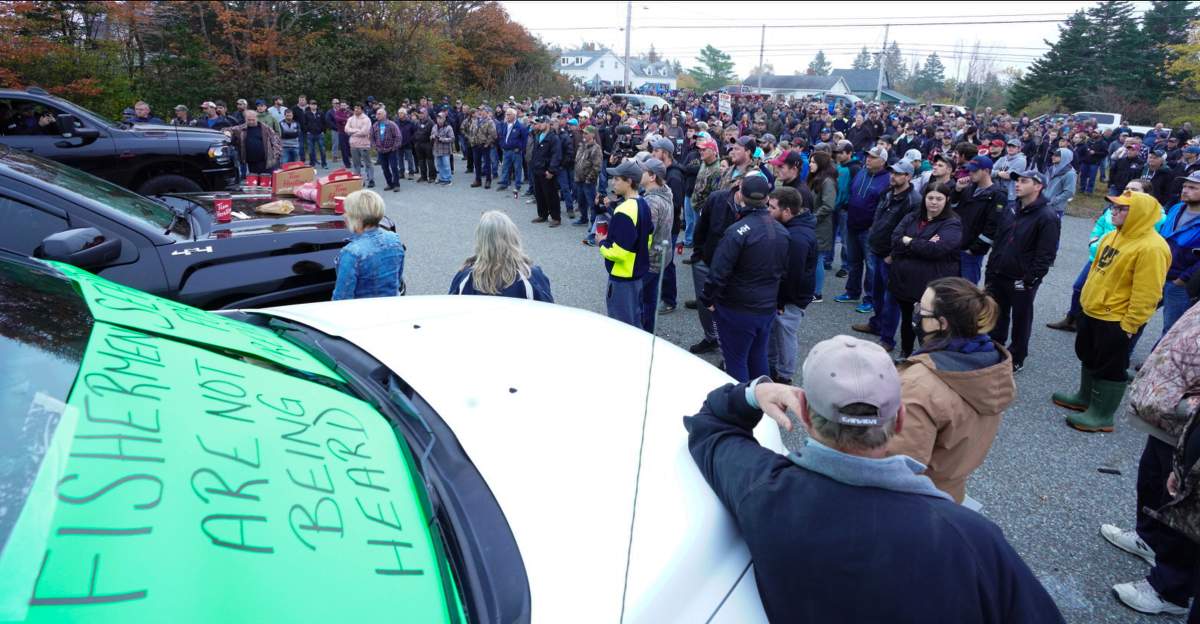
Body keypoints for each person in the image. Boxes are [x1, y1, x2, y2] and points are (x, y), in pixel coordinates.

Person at [683, 335, 1065, 623]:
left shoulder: (763, 490)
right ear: (898, 419)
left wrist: (756, 392)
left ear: (802, 409)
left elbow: (710, 427)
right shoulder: (969, 537)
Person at [1100, 301, 1200, 617]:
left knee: (1183, 509)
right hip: (1166, 414)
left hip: (1187, 419)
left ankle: (1170, 588)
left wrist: (1188, 406)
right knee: (1153, 480)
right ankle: (1148, 538)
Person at [1052, 190, 1171, 432]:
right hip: (1092, 311)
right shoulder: (1111, 236)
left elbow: (1148, 294)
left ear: (1138, 213)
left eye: (1121, 208)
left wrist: (1130, 325)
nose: (1113, 212)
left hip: (1116, 318)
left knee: (1111, 366)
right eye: (1113, 207)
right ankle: (1085, 398)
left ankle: (1102, 415)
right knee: (1089, 355)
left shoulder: (1153, 248)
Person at [887, 277, 1012, 503]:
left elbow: (897, 466)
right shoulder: (991, 367)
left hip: (913, 501)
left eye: (921, 309)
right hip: (951, 491)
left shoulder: (920, 385)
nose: (916, 313)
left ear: (941, 323)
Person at [700, 174, 790, 383]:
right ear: (767, 199)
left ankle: (739, 409)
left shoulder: (737, 232)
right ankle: (760, 407)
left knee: (736, 361)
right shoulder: (782, 231)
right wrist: (779, 303)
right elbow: (785, 273)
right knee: (758, 357)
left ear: (740, 195)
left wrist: (708, 298)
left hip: (737, 309)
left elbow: (718, 271)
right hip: (766, 308)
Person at [985, 170, 1059, 373]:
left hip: (1021, 278)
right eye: (1017, 180)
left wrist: (1030, 279)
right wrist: (991, 267)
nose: (1017, 184)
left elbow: (1046, 254)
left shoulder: (1047, 216)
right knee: (996, 314)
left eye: (1024, 181)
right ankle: (994, 350)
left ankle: (1017, 357)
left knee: (1021, 318)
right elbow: (999, 240)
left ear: (1038, 186)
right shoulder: (1011, 208)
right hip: (998, 272)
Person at [886, 183, 963, 358]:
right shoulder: (912, 217)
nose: (934, 202)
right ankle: (905, 352)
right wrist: (923, 242)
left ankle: (927, 358)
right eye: (930, 198)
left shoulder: (952, 223)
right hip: (904, 281)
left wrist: (910, 241)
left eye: (939, 199)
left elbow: (937, 250)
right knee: (907, 321)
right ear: (924, 198)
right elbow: (895, 239)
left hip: (932, 284)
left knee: (929, 324)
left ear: (947, 200)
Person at [854, 160, 919, 351]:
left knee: (891, 300)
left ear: (908, 176)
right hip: (876, 248)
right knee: (877, 293)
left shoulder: (913, 200)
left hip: (892, 256)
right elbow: (879, 217)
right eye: (892, 172)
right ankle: (876, 323)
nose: (893, 176)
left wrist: (893, 254)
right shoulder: (889, 192)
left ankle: (887, 338)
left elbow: (910, 231)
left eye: (898, 174)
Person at [767, 186, 816, 384]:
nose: (768, 211)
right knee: (778, 332)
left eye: (772, 208)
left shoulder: (797, 238)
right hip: (789, 295)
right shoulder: (793, 228)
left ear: (787, 211)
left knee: (785, 333)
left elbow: (792, 275)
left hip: (791, 298)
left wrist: (780, 301)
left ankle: (784, 376)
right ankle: (774, 367)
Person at [597, 159, 653, 328]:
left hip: (623, 276)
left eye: (617, 179)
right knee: (635, 321)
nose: (613, 182)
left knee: (622, 326)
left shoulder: (624, 210)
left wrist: (602, 244)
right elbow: (648, 238)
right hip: (637, 273)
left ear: (629, 182)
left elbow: (619, 252)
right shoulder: (643, 203)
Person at [449, 211, 553, 302]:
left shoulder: (465, 276)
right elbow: (548, 312)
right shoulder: (531, 276)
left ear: (481, 241)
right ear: (513, 236)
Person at [833, 146, 890, 311]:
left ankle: (871, 298)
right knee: (854, 261)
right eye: (868, 156)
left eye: (873, 157)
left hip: (869, 229)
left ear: (883, 161)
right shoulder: (861, 172)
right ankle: (852, 291)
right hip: (853, 224)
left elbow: (884, 206)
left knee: (871, 265)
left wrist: (874, 227)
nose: (868, 159)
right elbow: (851, 193)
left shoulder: (887, 179)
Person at [331, 190, 405, 300]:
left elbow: (342, 298)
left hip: (363, 313)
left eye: (346, 212)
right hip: (391, 308)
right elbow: (398, 281)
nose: (344, 215)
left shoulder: (351, 253)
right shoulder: (394, 239)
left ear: (356, 218)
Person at [952, 155, 1006, 285]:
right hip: (957, 245)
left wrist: (974, 249)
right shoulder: (968, 188)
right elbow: (953, 210)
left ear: (986, 171)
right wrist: (957, 190)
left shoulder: (997, 194)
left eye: (974, 171)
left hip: (971, 251)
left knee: (967, 291)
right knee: (952, 288)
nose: (970, 173)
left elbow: (992, 226)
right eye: (970, 170)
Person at [1159, 171, 1200, 337]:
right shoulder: (1176, 208)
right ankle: (1122, 357)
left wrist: (1182, 280)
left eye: (1192, 187)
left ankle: (1156, 362)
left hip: (1178, 283)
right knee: (1136, 319)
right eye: (1184, 186)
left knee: (1170, 330)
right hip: (1155, 274)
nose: (1185, 190)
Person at [639, 157, 674, 333]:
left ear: (652, 177)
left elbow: (645, 234)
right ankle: (648, 330)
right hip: (662, 256)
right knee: (650, 298)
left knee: (641, 300)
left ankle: (641, 332)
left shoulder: (651, 202)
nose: (639, 173)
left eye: (643, 171)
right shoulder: (665, 191)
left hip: (650, 259)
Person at [808, 151, 837, 303]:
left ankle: (817, 292)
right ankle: (811, 289)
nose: (810, 164)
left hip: (820, 225)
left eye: (813, 161)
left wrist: (813, 217)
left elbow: (828, 205)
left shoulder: (827, 182)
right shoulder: (817, 179)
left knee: (818, 259)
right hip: (814, 223)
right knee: (813, 259)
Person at [529, 116, 563, 226]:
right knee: (539, 194)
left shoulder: (553, 138)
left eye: (541, 122)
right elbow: (535, 153)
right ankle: (542, 214)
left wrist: (551, 170)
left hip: (547, 171)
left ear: (548, 123)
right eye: (538, 122)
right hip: (537, 169)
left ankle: (556, 217)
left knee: (551, 195)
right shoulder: (538, 135)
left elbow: (556, 155)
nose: (539, 124)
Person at [228, 109, 280, 175]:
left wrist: (277, 154)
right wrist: (228, 132)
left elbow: (276, 140)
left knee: (266, 180)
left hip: (265, 161)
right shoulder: (241, 128)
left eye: (253, 120)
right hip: (250, 162)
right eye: (249, 120)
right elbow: (227, 129)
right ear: (245, 119)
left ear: (257, 118)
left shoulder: (265, 128)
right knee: (253, 181)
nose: (251, 122)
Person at [572, 127, 603, 226]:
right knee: (581, 202)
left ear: (593, 135)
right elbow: (577, 161)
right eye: (583, 133)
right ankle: (583, 218)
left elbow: (597, 166)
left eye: (586, 133)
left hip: (588, 181)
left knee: (592, 203)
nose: (583, 135)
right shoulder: (582, 146)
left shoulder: (596, 148)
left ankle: (594, 222)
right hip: (579, 179)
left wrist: (589, 179)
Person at [496, 108, 527, 195]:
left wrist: (520, 148)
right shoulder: (505, 125)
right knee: (505, 167)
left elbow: (524, 140)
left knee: (517, 168)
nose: (507, 116)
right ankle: (504, 183)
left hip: (516, 151)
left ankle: (517, 185)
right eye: (506, 114)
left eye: (509, 114)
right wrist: (502, 145)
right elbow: (501, 136)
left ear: (514, 115)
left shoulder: (520, 126)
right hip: (506, 150)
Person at [345, 104, 375, 188]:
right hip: (353, 144)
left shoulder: (366, 119)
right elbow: (346, 129)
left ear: (362, 110)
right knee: (356, 164)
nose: (356, 110)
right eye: (355, 108)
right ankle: (358, 180)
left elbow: (364, 132)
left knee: (367, 163)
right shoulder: (350, 119)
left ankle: (371, 180)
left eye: (358, 108)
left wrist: (352, 132)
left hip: (364, 144)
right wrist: (357, 130)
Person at [372, 108, 401, 192]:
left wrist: (394, 147)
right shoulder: (375, 125)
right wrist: (375, 146)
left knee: (394, 167)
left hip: (391, 150)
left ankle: (396, 184)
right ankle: (389, 183)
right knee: (384, 168)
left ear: (385, 115)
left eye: (379, 114)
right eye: (377, 114)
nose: (377, 115)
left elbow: (398, 137)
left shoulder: (392, 124)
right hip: (381, 151)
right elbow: (371, 137)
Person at [468, 106, 497, 189]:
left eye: (482, 111)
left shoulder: (490, 122)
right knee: (476, 163)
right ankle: (478, 180)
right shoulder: (475, 121)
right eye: (479, 111)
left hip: (485, 145)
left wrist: (487, 144)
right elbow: (471, 132)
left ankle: (488, 180)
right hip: (475, 145)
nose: (480, 112)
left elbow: (493, 135)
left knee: (487, 164)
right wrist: (472, 142)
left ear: (487, 112)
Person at [1045, 147, 1077, 220]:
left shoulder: (1070, 173)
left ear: (1064, 157)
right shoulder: (1051, 168)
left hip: (1056, 208)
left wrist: (1053, 201)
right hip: (1044, 205)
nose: (1052, 157)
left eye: (1056, 155)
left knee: (1052, 230)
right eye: (1053, 155)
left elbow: (1069, 192)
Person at [302, 100, 327, 168]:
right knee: (311, 150)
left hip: (319, 134)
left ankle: (324, 164)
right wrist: (307, 131)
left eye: (315, 104)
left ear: (316, 105)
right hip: (310, 134)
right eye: (312, 104)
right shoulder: (306, 113)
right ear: (309, 105)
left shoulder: (320, 113)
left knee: (322, 149)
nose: (314, 106)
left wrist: (323, 131)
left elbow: (324, 122)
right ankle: (312, 164)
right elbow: (304, 124)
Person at [433, 111, 455, 186]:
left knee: (446, 165)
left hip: (446, 149)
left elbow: (452, 138)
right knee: (439, 165)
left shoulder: (448, 127)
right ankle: (442, 178)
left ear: (444, 119)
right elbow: (432, 134)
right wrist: (432, 137)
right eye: (438, 118)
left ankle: (448, 179)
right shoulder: (434, 126)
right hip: (437, 149)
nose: (439, 120)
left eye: (440, 118)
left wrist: (442, 139)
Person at [413, 108, 435, 183]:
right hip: (418, 144)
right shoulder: (417, 122)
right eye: (419, 113)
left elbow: (433, 133)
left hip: (427, 143)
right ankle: (423, 176)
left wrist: (431, 144)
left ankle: (432, 177)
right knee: (421, 161)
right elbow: (414, 132)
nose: (420, 114)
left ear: (426, 113)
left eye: (422, 113)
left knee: (430, 161)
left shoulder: (431, 122)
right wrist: (415, 141)